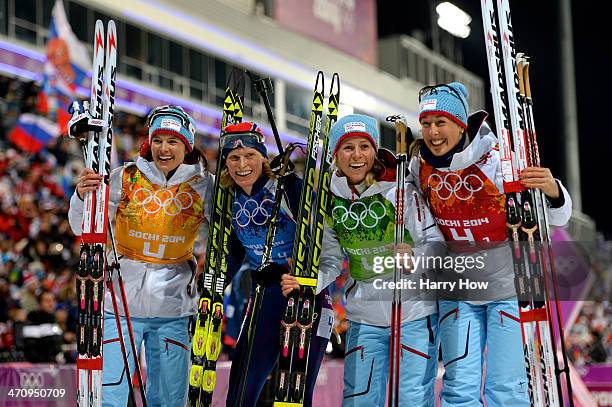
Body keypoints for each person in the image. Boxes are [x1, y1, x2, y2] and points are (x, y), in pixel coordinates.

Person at [409, 82, 572, 406]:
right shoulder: (418, 167)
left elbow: (556, 218)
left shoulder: (498, 161)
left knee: (506, 387)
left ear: (460, 124)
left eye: (440, 123)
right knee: (459, 387)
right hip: (458, 288)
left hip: (507, 288)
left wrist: (553, 190)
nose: (432, 133)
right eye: (426, 124)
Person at [282, 114, 445, 407]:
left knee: (411, 400)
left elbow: (436, 245)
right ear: (335, 154)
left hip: (413, 313)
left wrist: (414, 257)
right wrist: (308, 282)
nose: (357, 155)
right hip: (365, 317)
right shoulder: (329, 200)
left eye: (364, 146)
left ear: (374, 150)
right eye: (347, 147)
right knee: (359, 400)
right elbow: (331, 261)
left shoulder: (400, 190)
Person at [68, 105, 213, 406]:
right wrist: (82, 196)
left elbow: (223, 236)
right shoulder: (125, 177)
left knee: (170, 400)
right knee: (109, 397)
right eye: (158, 140)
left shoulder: (204, 186)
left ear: (187, 145)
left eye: (173, 141)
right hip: (118, 309)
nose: (164, 148)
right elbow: (82, 226)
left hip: (173, 310)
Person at [219, 122, 332, 407]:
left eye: (250, 156)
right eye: (234, 158)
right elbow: (233, 252)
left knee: (294, 391)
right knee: (242, 384)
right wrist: (213, 287)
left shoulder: (284, 187)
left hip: (306, 294)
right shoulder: (229, 198)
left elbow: (318, 234)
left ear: (263, 157)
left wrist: (296, 184)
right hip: (266, 294)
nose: (242, 165)